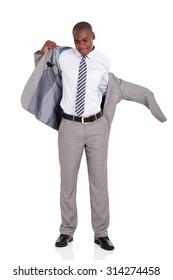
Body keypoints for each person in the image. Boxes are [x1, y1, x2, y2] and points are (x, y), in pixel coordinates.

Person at [39, 22, 114, 250]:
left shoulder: (103, 61)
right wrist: (44, 49)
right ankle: (66, 231)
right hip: (69, 127)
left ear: (93, 36)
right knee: (68, 182)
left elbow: (103, 91)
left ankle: (101, 233)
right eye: (76, 41)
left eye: (85, 40)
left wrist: (101, 120)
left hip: (96, 127)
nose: (81, 46)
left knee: (99, 182)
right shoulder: (64, 56)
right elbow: (42, 66)